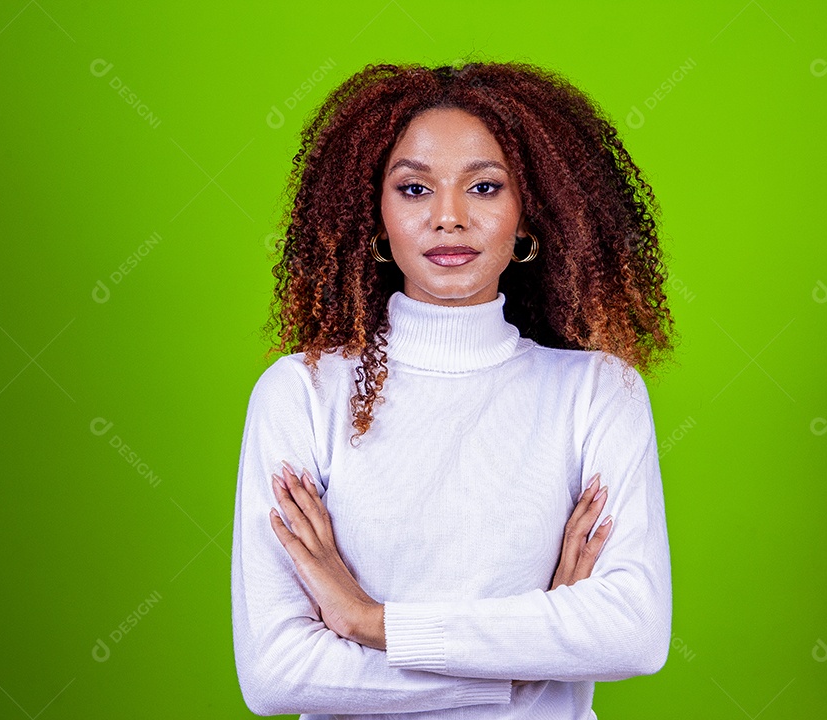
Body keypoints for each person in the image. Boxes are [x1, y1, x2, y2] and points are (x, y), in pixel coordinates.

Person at [231, 60, 677, 719]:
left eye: (486, 187)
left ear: (529, 213)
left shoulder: (597, 393)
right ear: (374, 214)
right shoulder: (299, 394)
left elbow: (634, 634)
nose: (448, 217)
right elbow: (277, 674)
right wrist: (525, 671)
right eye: (414, 189)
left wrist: (369, 621)